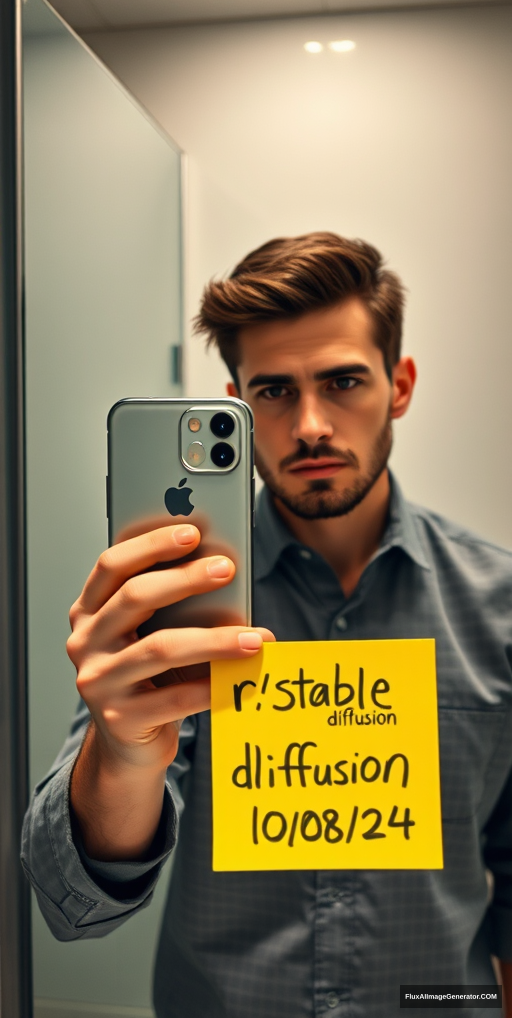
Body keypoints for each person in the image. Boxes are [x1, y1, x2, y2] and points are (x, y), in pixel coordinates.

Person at [22, 233, 512, 1018]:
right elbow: (73, 903)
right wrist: (120, 754)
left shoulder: (500, 608)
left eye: (344, 380)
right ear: (236, 406)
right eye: (275, 392)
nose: (311, 424)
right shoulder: (170, 604)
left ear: (400, 385)